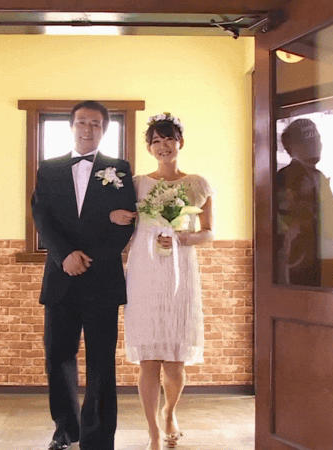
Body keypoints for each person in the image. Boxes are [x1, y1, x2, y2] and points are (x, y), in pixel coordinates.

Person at [31, 100, 137, 450]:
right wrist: (65, 257)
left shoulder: (119, 169)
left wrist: (87, 258)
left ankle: (99, 438)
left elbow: (124, 223)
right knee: (57, 357)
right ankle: (66, 430)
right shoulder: (48, 169)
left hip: (102, 279)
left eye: (95, 123)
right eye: (81, 122)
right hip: (60, 278)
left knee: (101, 362)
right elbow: (42, 218)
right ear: (71, 126)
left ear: (104, 129)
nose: (87, 128)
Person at [112, 113, 214, 450]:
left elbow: (208, 233)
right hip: (144, 272)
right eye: (156, 141)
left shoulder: (197, 184)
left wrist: (182, 238)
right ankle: (153, 430)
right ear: (149, 148)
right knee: (149, 360)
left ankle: (169, 411)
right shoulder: (137, 184)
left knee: (174, 360)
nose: (163, 145)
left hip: (180, 272)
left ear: (179, 142)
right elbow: (123, 224)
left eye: (168, 139)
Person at [275, 118, 333, 287]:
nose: (318, 144)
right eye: (312, 139)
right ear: (294, 146)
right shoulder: (284, 177)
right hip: (300, 262)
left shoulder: (318, 177)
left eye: (317, 138)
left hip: (321, 260)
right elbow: (284, 220)